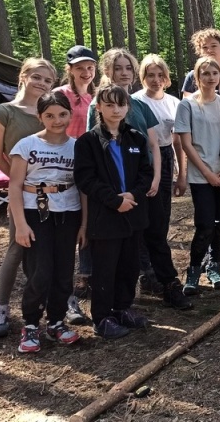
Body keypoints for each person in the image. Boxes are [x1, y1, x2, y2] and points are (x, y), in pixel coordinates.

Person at [74, 84, 154, 339]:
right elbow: (86, 179)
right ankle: (102, 317)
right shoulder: (88, 142)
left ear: (127, 107)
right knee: (106, 268)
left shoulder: (136, 138)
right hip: (106, 216)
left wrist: (132, 195)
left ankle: (122, 308)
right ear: (98, 107)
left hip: (133, 212)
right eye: (109, 104)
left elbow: (145, 172)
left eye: (120, 104)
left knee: (129, 266)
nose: (115, 109)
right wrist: (114, 201)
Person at [0, 58, 55, 338]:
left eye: (48, 80)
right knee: (17, 247)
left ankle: (47, 303)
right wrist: (19, 181)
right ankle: (0, 307)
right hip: (21, 193)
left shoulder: (49, 112)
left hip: (50, 193)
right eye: (37, 77)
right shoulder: (4, 112)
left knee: (45, 248)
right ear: (23, 76)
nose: (42, 83)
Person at [10, 93, 83, 352]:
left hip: (69, 212)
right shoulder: (26, 145)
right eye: (49, 115)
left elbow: (83, 188)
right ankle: (30, 324)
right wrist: (20, 224)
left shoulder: (77, 146)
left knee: (64, 269)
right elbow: (15, 185)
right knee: (40, 270)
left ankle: (56, 321)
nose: (56, 120)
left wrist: (84, 224)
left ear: (69, 115)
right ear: (39, 116)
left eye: (62, 114)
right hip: (35, 212)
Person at [87, 49, 163, 298]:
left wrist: (156, 176)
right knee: (118, 238)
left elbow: (154, 144)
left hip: (142, 178)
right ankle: (110, 297)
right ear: (108, 71)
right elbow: (94, 146)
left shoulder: (140, 104)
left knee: (147, 229)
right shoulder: (96, 105)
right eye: (118, 68)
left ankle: (147, 278)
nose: (123, 73)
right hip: (113, 185)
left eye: (128, 68)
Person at [175, 57, 220, 295]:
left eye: (215, 72)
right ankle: (193, 270)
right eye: (205, 73)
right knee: (204, 224)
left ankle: (214, 266)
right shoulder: (188, 105)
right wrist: (207, 173)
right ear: (197, 77)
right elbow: (186, 144)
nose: (211, 77)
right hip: (201, 176)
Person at [132, 55, 193, 310]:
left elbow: (178, 141)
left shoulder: (174, 102)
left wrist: (182, 174)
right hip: (140, 160)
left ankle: (156, 272)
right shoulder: (136, 101)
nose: (155, 80)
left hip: (166, 157)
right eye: (150, 75)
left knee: (161, 217)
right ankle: (148, 273)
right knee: (143, 218)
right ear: (142, 76)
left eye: (160, 75)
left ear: (166, 78)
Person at [53, 46, 98, 317]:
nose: (86, 71)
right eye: (80, 67)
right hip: (63, 166)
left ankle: (85, 273)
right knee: (67, 226)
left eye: (90, 66)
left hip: (87, 167)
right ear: (69, 68)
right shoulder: (61, 96)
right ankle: (63, 288)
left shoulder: (92, 97)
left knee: (87, 220)